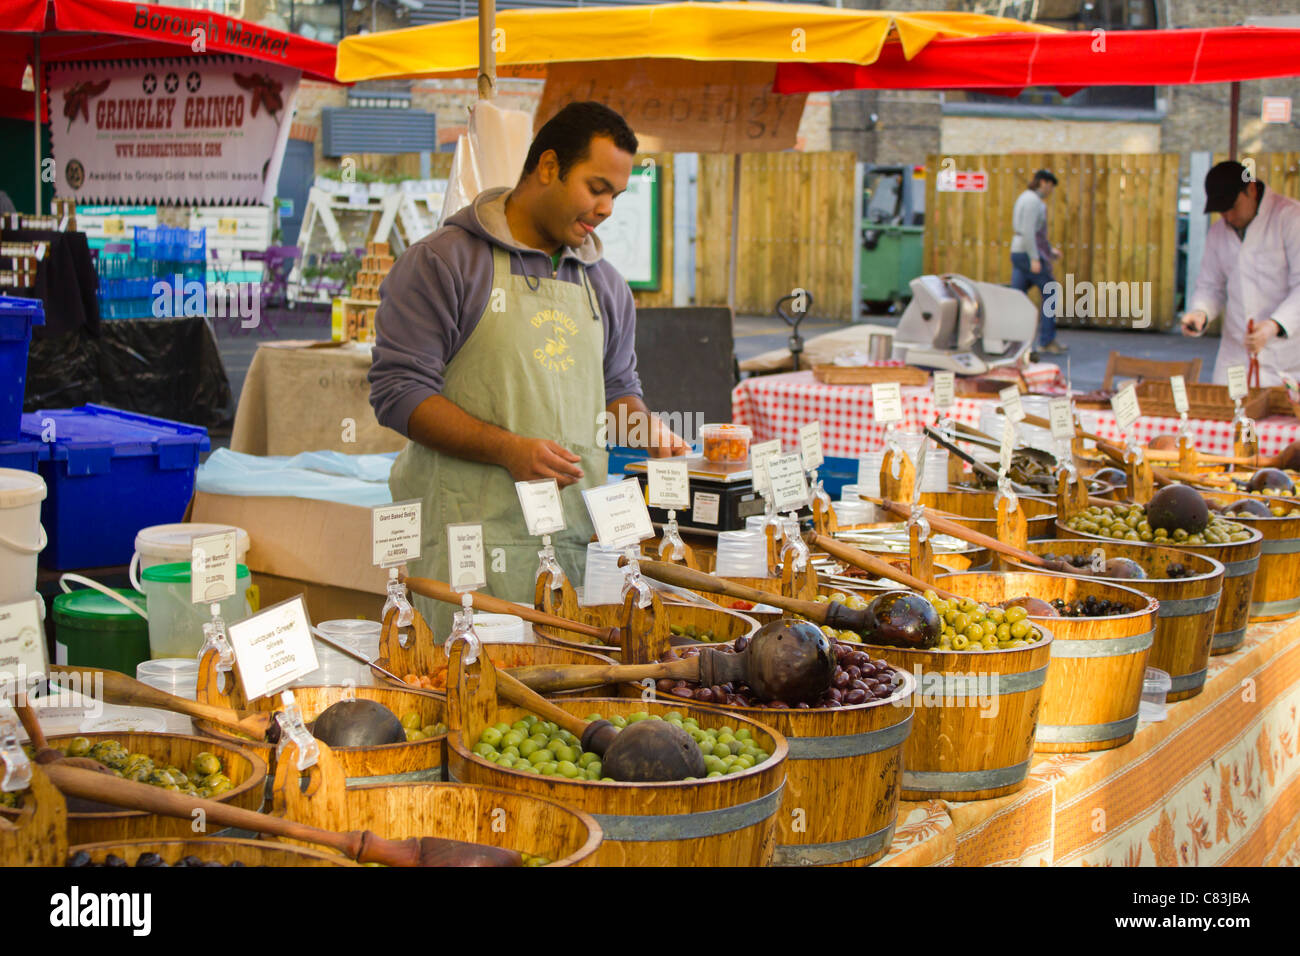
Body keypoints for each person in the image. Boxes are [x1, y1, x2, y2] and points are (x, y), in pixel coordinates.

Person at [368, 101, 689, 635]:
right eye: (596, 187)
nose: (607, 207)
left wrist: (647, 430)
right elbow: (398, 393)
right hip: (463, 545)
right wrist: (508, 450)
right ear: (547, 168)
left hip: (569, 544)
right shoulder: (444, 263)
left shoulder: (605, 284)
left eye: (616, 194)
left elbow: (617, 389)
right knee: (467, 693)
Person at [1181, 160, 1300, 386]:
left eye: (1232, 206)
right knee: (1226, 419)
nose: (1227, 215)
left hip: (1287, 356)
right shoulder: (1218, 232)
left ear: (1251, 189)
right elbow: (1210, 286)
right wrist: (1201, 312)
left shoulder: (1292, 218)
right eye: (1221, 210)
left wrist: (1274, 325)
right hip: (1235, 357)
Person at [1009, 169, 1065, 353]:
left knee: (1016, 297)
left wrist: (1049, 250)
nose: (1051, 190)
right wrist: (1034, 257)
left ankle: (1010, 339)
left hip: (1018, 250)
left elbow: (1034, 233)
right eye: (1050, 186)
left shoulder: (1024, 197)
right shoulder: (1033, 202)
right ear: (1043, 183)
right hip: (1027, 253)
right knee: (1051, 291)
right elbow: (1029, 231)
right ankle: (1046, 340)